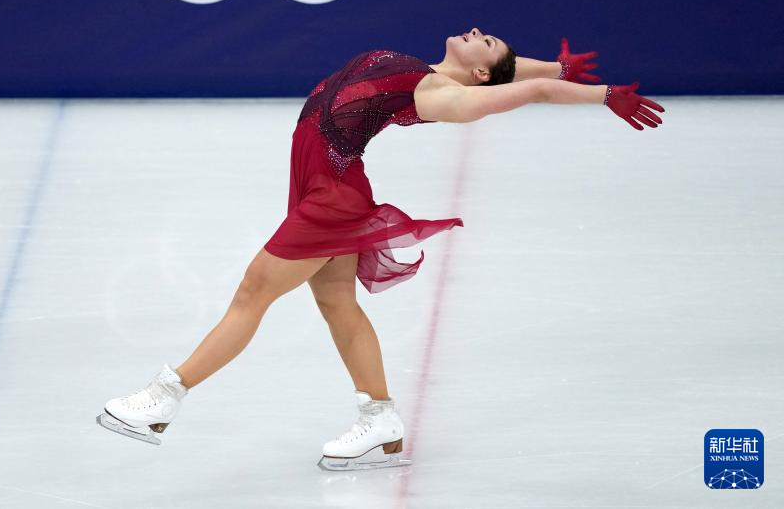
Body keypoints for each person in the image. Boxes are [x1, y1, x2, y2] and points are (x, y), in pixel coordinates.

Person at [97, 28, 665, 470]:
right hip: (319, 182)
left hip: (331, 195)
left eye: (486, 40)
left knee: (253, 293)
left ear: (479, 72)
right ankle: (380, 421)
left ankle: (164, 399)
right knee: (337, 303)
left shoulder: (443, 96)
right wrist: (556, 66)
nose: (476, 30)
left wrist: (602, 95)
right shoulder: (429, 71)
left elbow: (526, 89)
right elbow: (514, 70)